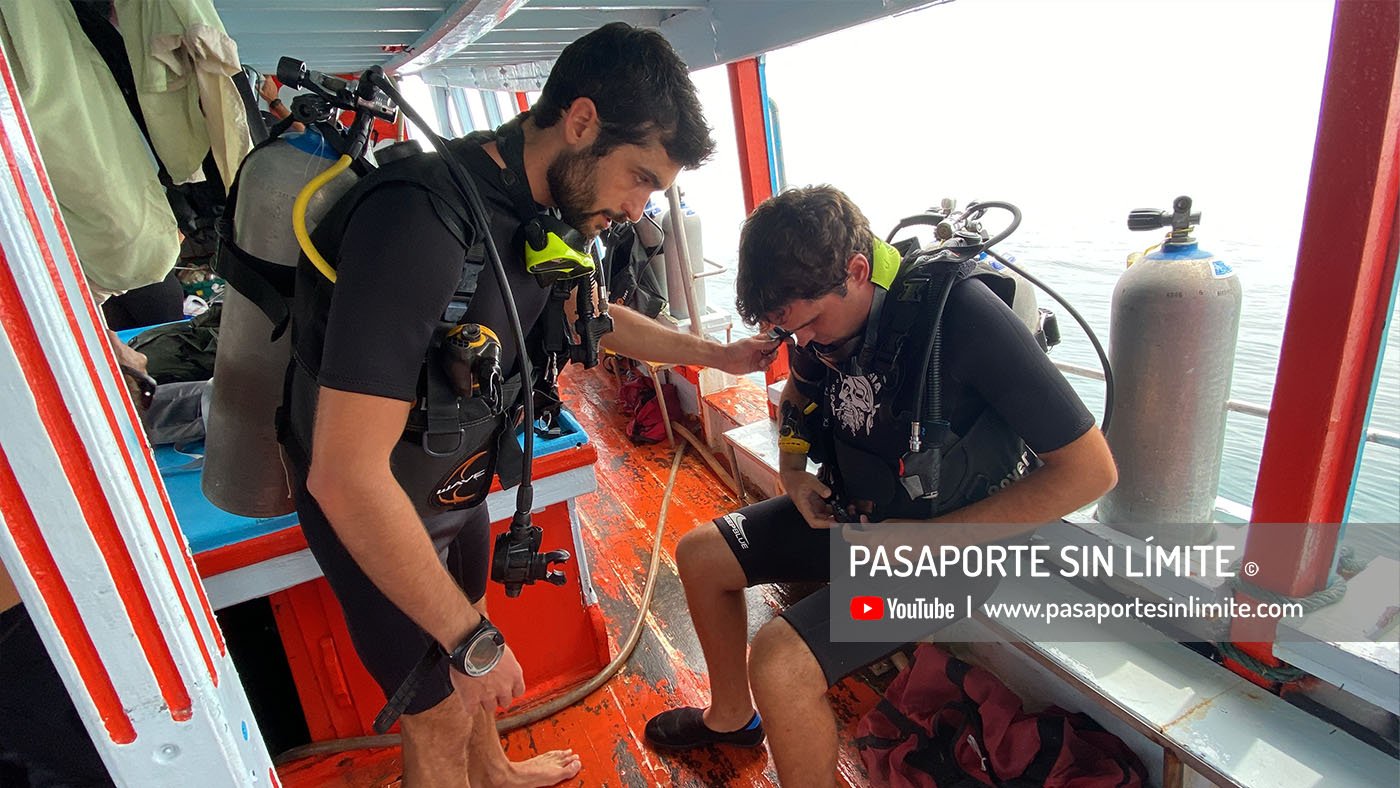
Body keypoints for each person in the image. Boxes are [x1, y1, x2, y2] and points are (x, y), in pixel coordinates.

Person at [280, 22, 777, 788]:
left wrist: (716, 355)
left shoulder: (539, 210)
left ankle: (498, 772)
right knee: (440, 710)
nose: (641, 204)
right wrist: (468, 639)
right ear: (581, 122)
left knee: (472, 679)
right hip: (379, 514)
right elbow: (345, 476)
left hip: (459, 485)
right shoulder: (421, 220)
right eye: (640, 176)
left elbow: (595, 315)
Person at [643, 185, 1118, 785]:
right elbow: (800, 394)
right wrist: (793, 471)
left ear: (858, 271)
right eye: (792, 332)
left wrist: (930, 542)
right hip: (861, 520)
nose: (806, 343)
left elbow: (1092, 470)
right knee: (702, 554)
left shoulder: (965, 320)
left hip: (953, 557)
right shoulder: (822, 322)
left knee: (781, 662)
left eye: (811, 323)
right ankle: (731, 718)